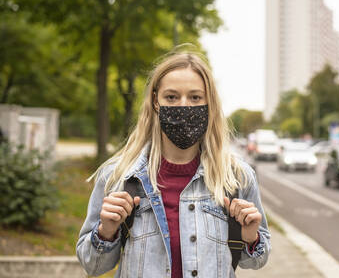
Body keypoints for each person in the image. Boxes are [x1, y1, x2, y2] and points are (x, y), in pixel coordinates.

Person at [76, 49, 271, 278]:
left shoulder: (236, 177)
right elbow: (93, 266)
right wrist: (106, 232)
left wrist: (250, 236)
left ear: (209, 104)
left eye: (195, 97)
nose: (183, 106)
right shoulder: (119, 176)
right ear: (156, 102)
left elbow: (256, 260)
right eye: (171, 97)